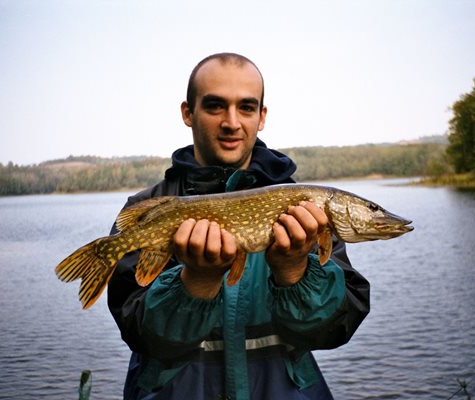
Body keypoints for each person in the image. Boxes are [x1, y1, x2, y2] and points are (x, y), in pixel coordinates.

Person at [107, 52, 370, 400]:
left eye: (246, 108)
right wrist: (196, 282)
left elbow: (335, 330)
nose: (232, 122)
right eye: (215, 106)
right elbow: (140, 334)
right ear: (188, 113)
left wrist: (294, 271)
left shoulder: (305, 210)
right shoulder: (147, 208)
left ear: (261, 117)